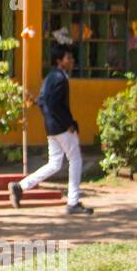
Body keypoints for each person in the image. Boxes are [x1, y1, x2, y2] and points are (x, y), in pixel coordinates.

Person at [10, 46, 93, 216]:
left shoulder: (50, 77)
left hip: (51, 127)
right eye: (68, 58)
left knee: (55, 163)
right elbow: (54, 104)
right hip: (61, 127)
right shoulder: (59, 78)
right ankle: (73, 202)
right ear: (59, 61)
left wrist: (50, 120)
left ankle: (20, 187)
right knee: (75, 159)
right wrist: (68, 123)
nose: (71, 60)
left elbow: (41, 102)